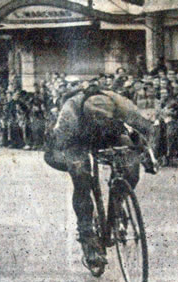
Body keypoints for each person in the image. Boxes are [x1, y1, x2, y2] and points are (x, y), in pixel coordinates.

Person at [44, 81, 158, 268]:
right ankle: (88, 238)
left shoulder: (121, 104)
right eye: (97, 120)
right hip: (77, 139)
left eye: (105, 119)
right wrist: (68, 164)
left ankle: (118, 204)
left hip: (112, 134)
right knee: (81, 177)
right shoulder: (70, 112)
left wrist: (148, 155)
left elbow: (147, 129)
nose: (101, 123)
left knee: (131, 169)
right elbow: (56, 147)